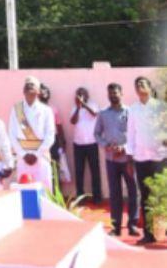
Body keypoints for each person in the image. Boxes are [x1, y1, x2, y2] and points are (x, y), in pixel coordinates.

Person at [94, 82, 139, 238]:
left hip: (128, 159)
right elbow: (97, 133)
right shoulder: (103, 114)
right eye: (110, 93)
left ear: (121, 93)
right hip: (111, 160)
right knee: (115, 193)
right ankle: (116, 227)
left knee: (133, 191)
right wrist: (106, 145)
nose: (113, 95)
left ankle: (133, 224)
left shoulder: (130, 112)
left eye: (115, 92)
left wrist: (124, 148)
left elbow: (136, 133)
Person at [127, 76, 167, 246]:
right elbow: (130, 133)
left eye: (142, 84)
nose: (139, 86)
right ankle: (149, 234)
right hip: (141, 158)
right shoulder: (133, 109)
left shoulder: (161, 106)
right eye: (137, 85)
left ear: (150, 88)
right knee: (145, 196)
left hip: (159, 157)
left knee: (162, 195)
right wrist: (130, 157)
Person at [8, 75, 55, 190]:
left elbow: (50, 135)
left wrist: (36, 154)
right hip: (22, 158)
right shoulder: (16, 110)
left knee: (44, 192)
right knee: (24, 191)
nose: (29, 85)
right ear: (23, 91)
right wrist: (23, 154)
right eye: (27, 85)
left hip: (41, 157)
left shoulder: (46, 110)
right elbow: (12, 134)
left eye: (32, 84)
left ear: (38, 91)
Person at [70, 86, 102, 203]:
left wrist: (84, 104)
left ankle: (97, 197)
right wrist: (78, 108)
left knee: (95, 171)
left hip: (92, 143)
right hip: (78, 144)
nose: (80, 96)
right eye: (78, 94)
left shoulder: (93, 104)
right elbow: (73, 121)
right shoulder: (74, 108)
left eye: (82, 93)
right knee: (79, 171)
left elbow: (94, 114)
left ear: (87, 95)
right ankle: (80, 197)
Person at [39, 83, 69, 185]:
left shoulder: (53, 109)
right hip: (39, 141)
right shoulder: (35, 109)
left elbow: (58, 125)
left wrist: (62, 141)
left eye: (46, 91)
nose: (44, 93)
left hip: (53, 141)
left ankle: (56, 190)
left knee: (55, 166)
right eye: (42, 91)